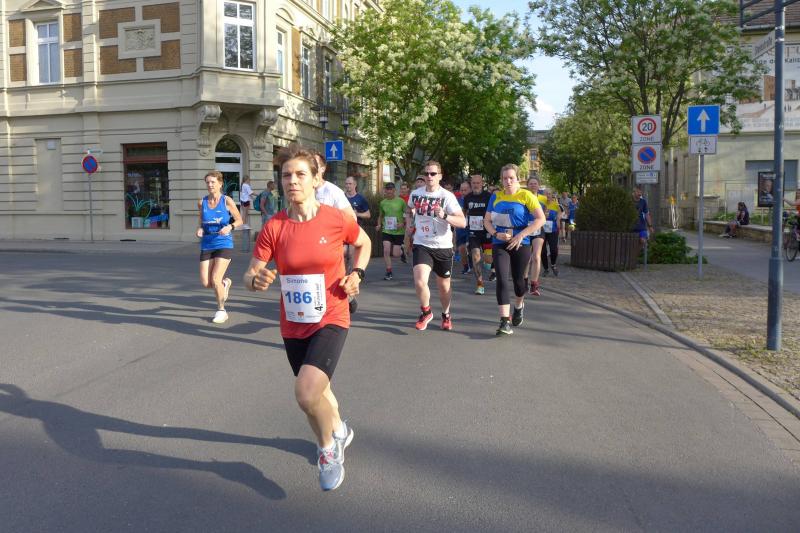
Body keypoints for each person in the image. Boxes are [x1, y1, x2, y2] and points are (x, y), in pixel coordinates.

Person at [244, 144, 371, 492]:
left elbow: (363, 243)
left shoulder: (335, 218)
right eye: (286, 175)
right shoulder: (275, 226)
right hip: (294, 322)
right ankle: (340, 430)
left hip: (332, 314)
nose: (292, 181)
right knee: (320, 390)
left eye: (300, 174)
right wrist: (255, 280)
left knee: (305, 392)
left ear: (316, 180)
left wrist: (357, 273)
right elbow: (250, 272)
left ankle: (328, 449)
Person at [484, 164, 545, 336]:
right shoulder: (496, 196)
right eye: (505, 178)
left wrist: (521, 235)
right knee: (502, 280)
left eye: (511, 178)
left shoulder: (526, 195)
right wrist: (496, 233)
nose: (508, 181)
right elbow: (486, 221)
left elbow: (540, 219)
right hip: (499, 241)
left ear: (518, 178)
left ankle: (519, 306)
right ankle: (504, 321)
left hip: (520, 242)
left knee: (519, 282)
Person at [406, 161, 467, 331]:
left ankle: (446, 314)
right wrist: (409, 223)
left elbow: (462, 222)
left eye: (433, 174)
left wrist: (445, 215)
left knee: (443, 286)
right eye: (426, 173)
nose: (429, 176)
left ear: (440, 176)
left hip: (443, 246)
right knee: (420, 281)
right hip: (422, 243)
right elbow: (409, 209)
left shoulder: (447, 196)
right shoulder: (415, 194)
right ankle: (426, 312)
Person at [312, 151, 359, 314]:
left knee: (332, 279)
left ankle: (347, 299)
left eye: (315, 164)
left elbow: (351, 218)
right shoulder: (304, 191)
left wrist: (338, 238)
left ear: (322, 168)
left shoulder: (332, 191)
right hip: (310, 243)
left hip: (330, 244)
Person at [197, 170, 243, 324]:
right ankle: (225, 284)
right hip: (207, 243)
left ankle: (221, 310)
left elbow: (239, 220)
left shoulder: (226, 201)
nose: (210, 185)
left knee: (215, 279)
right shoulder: (202, 202)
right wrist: (200, 229)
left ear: (220, 184)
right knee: (206, 283)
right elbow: (201, 221)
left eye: (213, 182)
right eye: (208, 182)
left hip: (224, 243)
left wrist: (230, 226)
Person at [462, 174, 493, 295]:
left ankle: (489, 263)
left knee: (488, 261)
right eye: (473, 183)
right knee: (475, 257)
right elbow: (464, 211)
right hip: (473, 231)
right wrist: (463, 220)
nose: (476, 185)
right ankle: (480, 284)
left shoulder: (488, 196)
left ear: (482, 183)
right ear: (471, 184)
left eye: (478, 183)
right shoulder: (468, 197)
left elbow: (494, 211)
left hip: (487, 231)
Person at [376, 182, 407, 279]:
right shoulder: (383, 203)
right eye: (387, 189)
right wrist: (379, 224)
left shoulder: (401, 201)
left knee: (396, 254)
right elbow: (380, 216)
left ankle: (402, 251)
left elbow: (407, 214)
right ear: (385, 191)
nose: (389, 191)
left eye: (391, 189)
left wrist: (403, 223)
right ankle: (389, 271)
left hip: (398, 231)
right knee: (386, 250)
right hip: (387, 230)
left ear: (394, 191)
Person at [524, 177, 548, 296]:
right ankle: (524, 281)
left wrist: (545, 215)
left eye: (535, 183)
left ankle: (534, 285)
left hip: (538, 229)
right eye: (531, 183)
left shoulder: (544, 198)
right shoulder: (523, 197)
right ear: (527, 185)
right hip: (526, 229)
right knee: (526, 258)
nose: (533, 185)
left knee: (536, 257)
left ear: (539, 185)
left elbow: (546, 212)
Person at [344, 176, 372, 271]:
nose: (348, 186)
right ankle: (344, 274)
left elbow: (368, 215)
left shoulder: (360, 199)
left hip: (355, 229)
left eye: (350, 184)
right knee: (343, 253)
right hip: (343, 229)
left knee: (351, 253)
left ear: (355, 185)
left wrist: (357, 214)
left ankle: (352, 273)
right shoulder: (341, 197)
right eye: (346, 184)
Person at [541, 190, 561, 277]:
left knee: (554, 249)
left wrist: (558, 219)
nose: (547, 195)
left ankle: (553, 264)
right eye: (546, 194)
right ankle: (546, 268)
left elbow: (561, 213)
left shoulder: (556, 205)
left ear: (552, 195)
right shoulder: (540, 204)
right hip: (542, 229)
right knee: (543, 251)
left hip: (553, 229)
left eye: (549, 194)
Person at [456, 181, 472, 275]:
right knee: (461, 248)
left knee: (471, 248)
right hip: (460, 228)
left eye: (465, 190)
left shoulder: (474, 199)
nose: (463, 192)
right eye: (461, 190)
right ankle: (466, 267)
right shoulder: (457, 201)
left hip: (472, 227)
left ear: (470, 189)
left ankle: (471, 262)